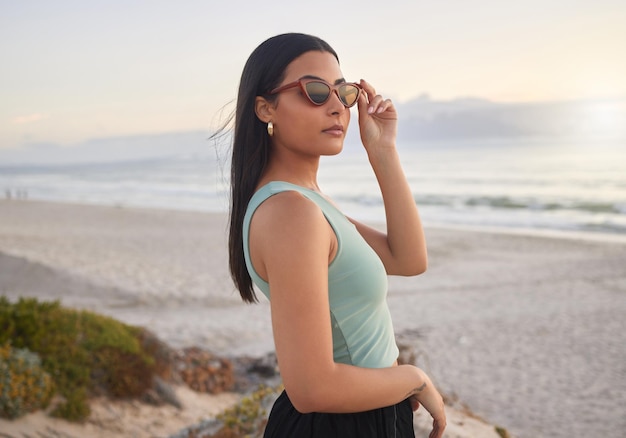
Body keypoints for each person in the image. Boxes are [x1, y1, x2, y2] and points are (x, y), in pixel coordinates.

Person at [226, 33, 446, 437]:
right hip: (343, 424)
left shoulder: (307, 203)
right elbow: (311, 388)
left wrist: (382, 151)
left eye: (343, 93)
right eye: (313, 91)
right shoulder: (291, 212)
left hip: (363, 414)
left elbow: (409, 259)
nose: (335, 107)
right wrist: (415, 379)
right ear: (265, 108)